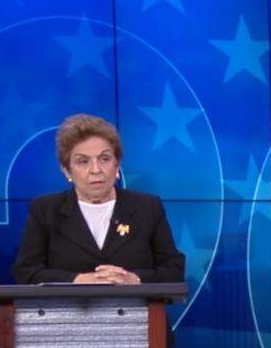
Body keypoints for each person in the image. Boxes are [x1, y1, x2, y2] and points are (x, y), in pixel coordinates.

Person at [12, 114, 185, 285]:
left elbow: (174, 270)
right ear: (66, 171)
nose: (96, 170)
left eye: (104, 159)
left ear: (117, 164)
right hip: (70, 311)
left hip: (139, 311)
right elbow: (26, 272)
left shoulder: (148, 208)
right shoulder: (45, 211)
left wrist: (135, 279)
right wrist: (76, 280)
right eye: (83, 161)